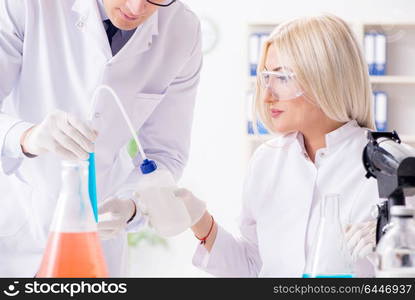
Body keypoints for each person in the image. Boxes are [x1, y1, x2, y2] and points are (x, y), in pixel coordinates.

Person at [141, 14, 391, 277]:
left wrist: (390, 249)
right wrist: (200, 221)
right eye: (266, 77)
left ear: (326, 78)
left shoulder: (388, 165)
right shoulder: (267, 160)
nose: (268, 95)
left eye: (283, 78)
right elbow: (252, 269)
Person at [0, 0, 202, 277]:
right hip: (16, 232)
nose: (136, 7)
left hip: (98, 242)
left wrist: (131, 206)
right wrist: (26, 136)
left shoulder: (181, 30)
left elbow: (166, 153)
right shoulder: (28, 5)